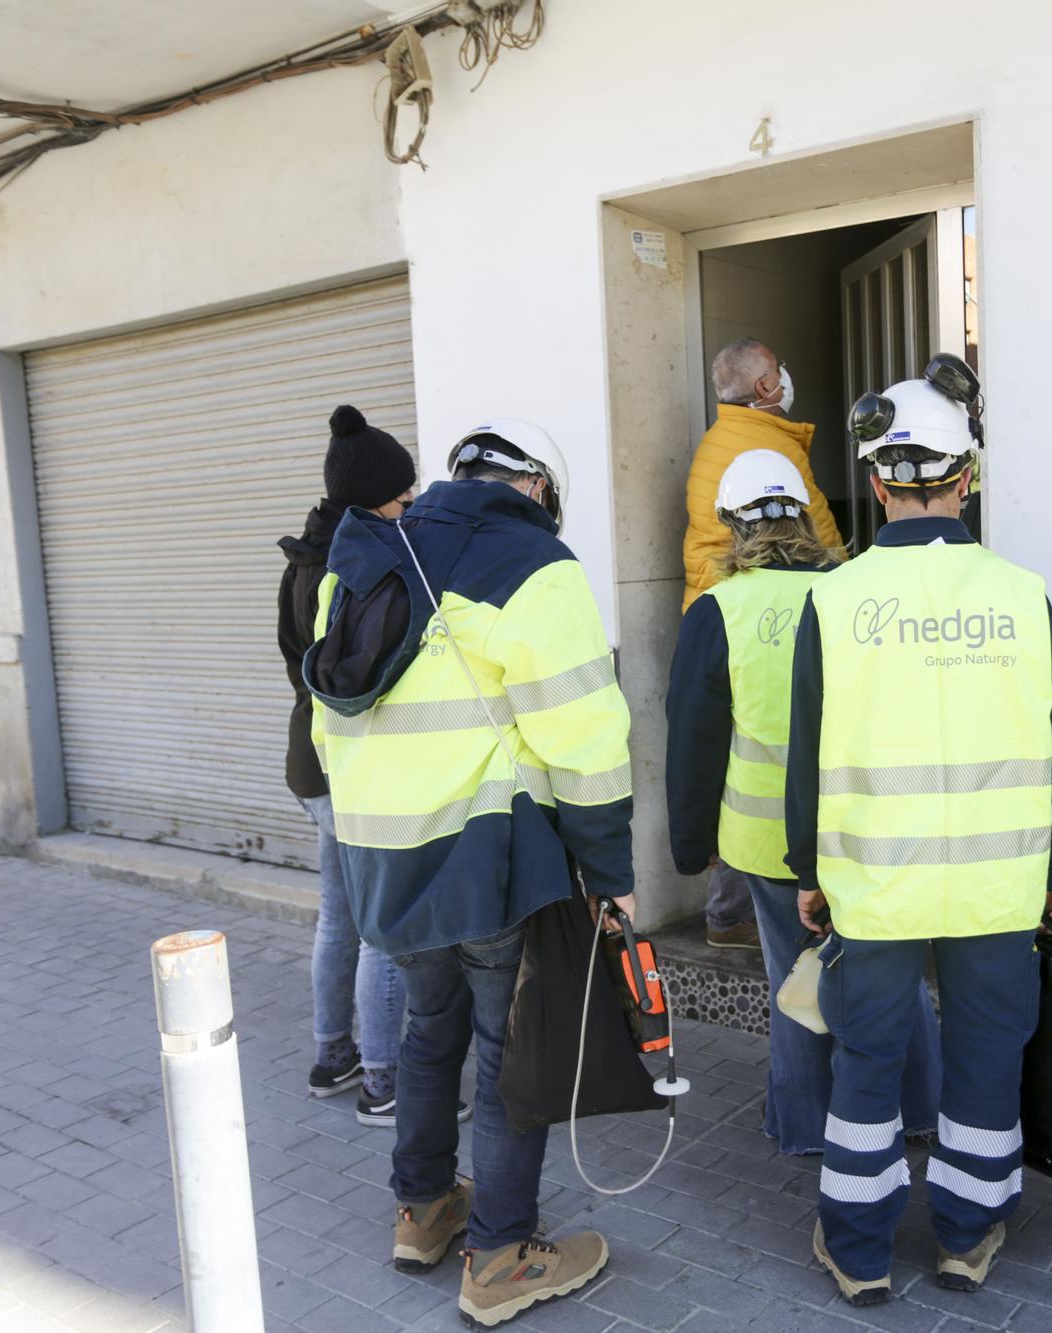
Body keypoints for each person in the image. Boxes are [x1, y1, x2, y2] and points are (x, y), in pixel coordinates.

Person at [305, 420, 629, 1326]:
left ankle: (422, 1209)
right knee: (505, 1051)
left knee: (427, 1030)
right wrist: (610, 868)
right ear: (533, 489)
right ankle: (499, 1254)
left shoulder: (366, 554)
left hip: (383, 859)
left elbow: (334, 726)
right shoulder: (534, 566)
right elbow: (585, 735)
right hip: (480, 858)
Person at [784, 357, 1052, 1306]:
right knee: (987, 1061)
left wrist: (807, 871)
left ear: (874, 482)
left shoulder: (831, 601)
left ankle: (859, 1252)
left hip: (874, 884)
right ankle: (965, 1236)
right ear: (967, 476)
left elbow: (807, 755)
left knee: (868, 1062)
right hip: (1000, 887)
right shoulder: (1024, 595)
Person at [664, 449, 941, 1155]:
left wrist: (690, 845)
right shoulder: (858, 590)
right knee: (893, 971)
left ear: (732, 525)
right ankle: (921, 1107)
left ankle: (808, 1125)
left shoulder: (718, 610)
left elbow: (693, 739)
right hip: (867, 827)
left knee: (795, 979)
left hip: (767, 842)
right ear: (805, 519)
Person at [682, 338, 845, 952]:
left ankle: (727, 913)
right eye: (778, 373)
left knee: (740, 755)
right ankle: (729, 914)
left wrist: (689, 843)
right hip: (755, 613)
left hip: (726, 612)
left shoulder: (718, 442)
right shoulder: (770, 447)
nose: (785, 380)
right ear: (763, 390)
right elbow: (821, 533)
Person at [277, 404, 413, 1124]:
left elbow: (295, 667)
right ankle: (385, 1080)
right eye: (401, 496)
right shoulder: (356, 565)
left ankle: (335, 1054)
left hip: (310, 757)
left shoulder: (301, 560)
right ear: (369, 500)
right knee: (381, 925)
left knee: (340, 916)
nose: (410, 505)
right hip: (351, 763)